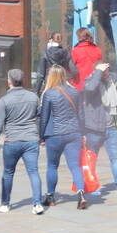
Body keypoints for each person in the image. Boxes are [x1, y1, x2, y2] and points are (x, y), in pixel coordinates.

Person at [0, 69, 43, 214]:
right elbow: (39, 116)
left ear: (9, 81)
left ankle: (5, 204)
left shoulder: (4, 101)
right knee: (33, 171)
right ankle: (37, 204)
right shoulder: (33, 97)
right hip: (31, 139)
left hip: (12, 140)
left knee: (8, 173)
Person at [81, 60, 117, 198]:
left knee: (115, 158)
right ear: (97, 71)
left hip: (111, 128)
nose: (106, 73)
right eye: (103, 71)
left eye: (107, 70)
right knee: (92, 158)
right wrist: (98, 72)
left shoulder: (112, 83)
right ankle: (91, 186)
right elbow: (90, 89)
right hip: (94, 129)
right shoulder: (89, 82)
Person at [39, 65, 86, 208]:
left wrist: (41, 137)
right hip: (74, 132)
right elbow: (82, 115)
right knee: (75, 166)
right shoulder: (75, 92)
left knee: (52, 165)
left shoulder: (49, 94)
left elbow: (44, 118)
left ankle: (51, 197)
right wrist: (83, 134)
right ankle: (81, 194)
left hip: (54, 134)